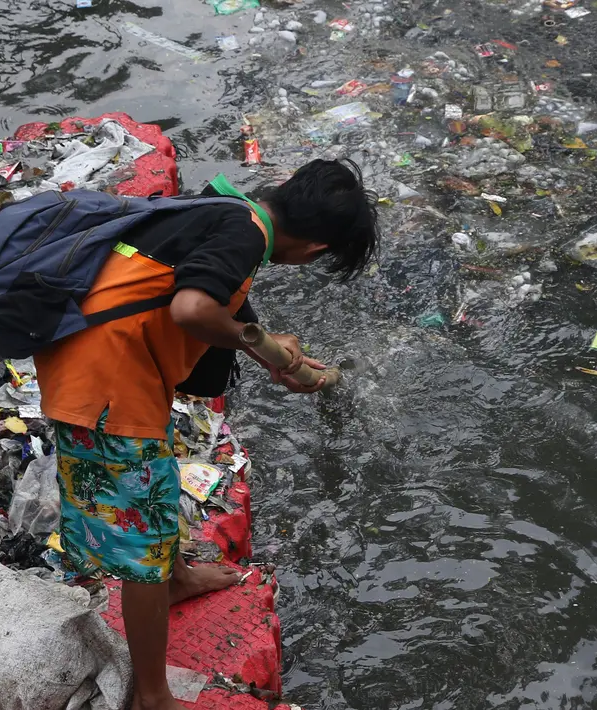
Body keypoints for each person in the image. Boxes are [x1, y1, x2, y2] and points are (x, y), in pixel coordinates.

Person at [33, 158, 379, 710]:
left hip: (102, 362)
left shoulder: (227, 211)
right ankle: (152, 694)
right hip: (105, 386)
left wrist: (279, 358)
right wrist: (262, 345)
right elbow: (193, 308)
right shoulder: (245, 234)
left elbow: (222, 304)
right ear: (316, 248)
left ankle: (178, 581)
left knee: (156, 482)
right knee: (138, 542)